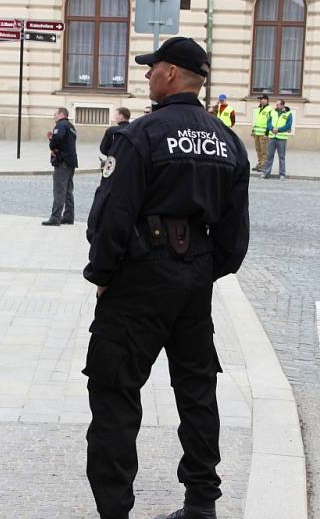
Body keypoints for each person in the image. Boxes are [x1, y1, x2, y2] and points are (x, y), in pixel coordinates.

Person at [83, 36, 250, 519]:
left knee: (114, 392)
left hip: (139, 277)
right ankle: (201, 505)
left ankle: (115, 511)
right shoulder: (227, 140)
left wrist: (103, 275)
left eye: (151, 68)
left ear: (171, 73)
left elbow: (112, 214)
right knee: (197, 391)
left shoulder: (141, 134)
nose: (146, 75)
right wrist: (200, 268)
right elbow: (235, 235)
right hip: (195, 278)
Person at [42, 107, 78, 226]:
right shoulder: (71, 126)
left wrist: (52, 145)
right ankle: (68, 216)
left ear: (62, 114)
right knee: (68, 190)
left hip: (62, 161)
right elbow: (66, 141)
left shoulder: (60, 125)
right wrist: (53, 139)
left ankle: (55, 218)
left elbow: (58, 139)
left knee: (59, 190)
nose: (54, 116)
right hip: (70, 161)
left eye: (55, 114)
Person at [262, 98, 293, 180]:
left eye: (278, 104)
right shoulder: (272, 112)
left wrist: (278, 130)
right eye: (276, 104)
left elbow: (288, 125)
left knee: (281, 157)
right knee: (269, 156)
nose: (276, 106)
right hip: (272, 137)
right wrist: (272, 129)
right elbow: (268, 122)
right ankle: (266, 173)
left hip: (282, 138)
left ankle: (282, 174)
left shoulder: (288, 113)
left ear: (283, 105)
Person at [251, 94, 274, 173]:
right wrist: (253, 131)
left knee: (264, 150)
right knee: (258, 149)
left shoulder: (269, 109)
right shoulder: (260, 108)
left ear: (267, 100)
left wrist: (267, 133)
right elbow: (257, 121)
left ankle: (264, 165)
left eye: (262, 99)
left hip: (264, 134)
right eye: (260, 99)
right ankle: (260, 163)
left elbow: (270, 122)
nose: (261, 100)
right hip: (257, 133)